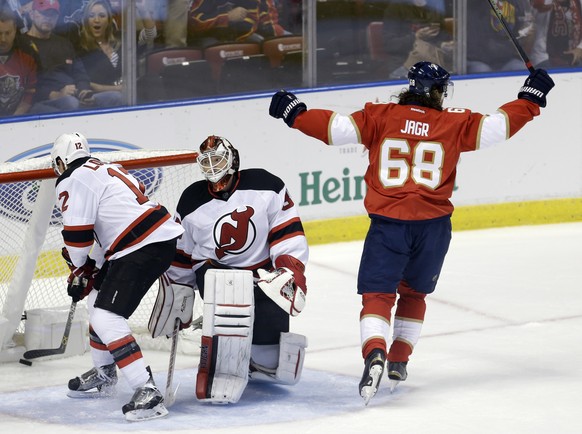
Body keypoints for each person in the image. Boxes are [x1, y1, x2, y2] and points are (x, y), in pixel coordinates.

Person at [268, 61, 554, 404]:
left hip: (389, 226)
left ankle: (375, 352)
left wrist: (295, 113)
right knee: (414, 294)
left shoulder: (381, 115)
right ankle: (399, 360)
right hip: (433, 228)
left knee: (377, 295)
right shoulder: (455, 121)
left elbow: (334, 129)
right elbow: (498, 127)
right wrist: (530, 97)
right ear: (439, 91)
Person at [161, 135, 308, 402]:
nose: (213, 167)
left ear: (232, 160)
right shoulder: (191, 200)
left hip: (262, 273)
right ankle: (222, 362)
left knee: (272, 362)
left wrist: (289, 272)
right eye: (207, 162)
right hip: (213, 271)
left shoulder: (267, 185)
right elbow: (182, 252)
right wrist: (179, 291)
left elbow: (287, 233)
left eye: (217, 159)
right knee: (230, 290)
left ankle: (253, 358)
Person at [51, 132, 184, 421]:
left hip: (139, 245)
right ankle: (104, 372)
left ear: (61, 162)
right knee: (96, 300)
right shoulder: (104, 168)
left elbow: (77, 236)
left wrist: (78, 269)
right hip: (147, 239)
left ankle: (146, 390)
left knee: (106, 316)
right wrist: (89, 271)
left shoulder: (72, 179)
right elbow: (104, 230)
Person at [20, 0, 95, 113]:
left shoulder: (64, 43)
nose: (48, 18)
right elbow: (25, 84)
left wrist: (84, 90)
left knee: (113, 98)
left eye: (53, 15)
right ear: (32, 15)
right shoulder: (22, 44)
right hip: (41, 102)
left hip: (74, 96)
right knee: (70, 103)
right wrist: (56, 94)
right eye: (44, 13)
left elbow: (80, 73)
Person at [383, 0, 453, 79]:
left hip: (434, 62)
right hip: (404, 64)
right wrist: (415, 37)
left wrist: (444, 45)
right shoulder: (396, 7)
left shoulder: (435, 6)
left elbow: (441, 38)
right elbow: (389, 44)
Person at [76, 0, 123, 108]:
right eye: (92, 16)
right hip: (97, 98)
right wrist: (118, 88)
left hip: (126, 95)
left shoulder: (119, 42)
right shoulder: (80, 48)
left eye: (102, 16)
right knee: (117, 97)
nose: (96, 20)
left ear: (109, 20)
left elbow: (150, 34)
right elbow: (85, 82)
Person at [466, 0, 534, 73]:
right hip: (478, 59)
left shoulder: (517, 2)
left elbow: (523, 28)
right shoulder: (473, 4)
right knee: (481, 70)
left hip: (507, 59)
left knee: (521, 68)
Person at [188, 0, 287, 48]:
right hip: (210, 36)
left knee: (268, 44)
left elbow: (267, 19)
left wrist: (277, 36)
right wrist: (227, 16)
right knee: (214, 49)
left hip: (243, 35)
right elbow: (194, 23)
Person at [0, 6, 38, 116]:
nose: (3, 39)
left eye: (7, 33)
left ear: (15, 29)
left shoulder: (27, 54)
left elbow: (29, 96)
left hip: (19, 118)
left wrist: (14, 122)